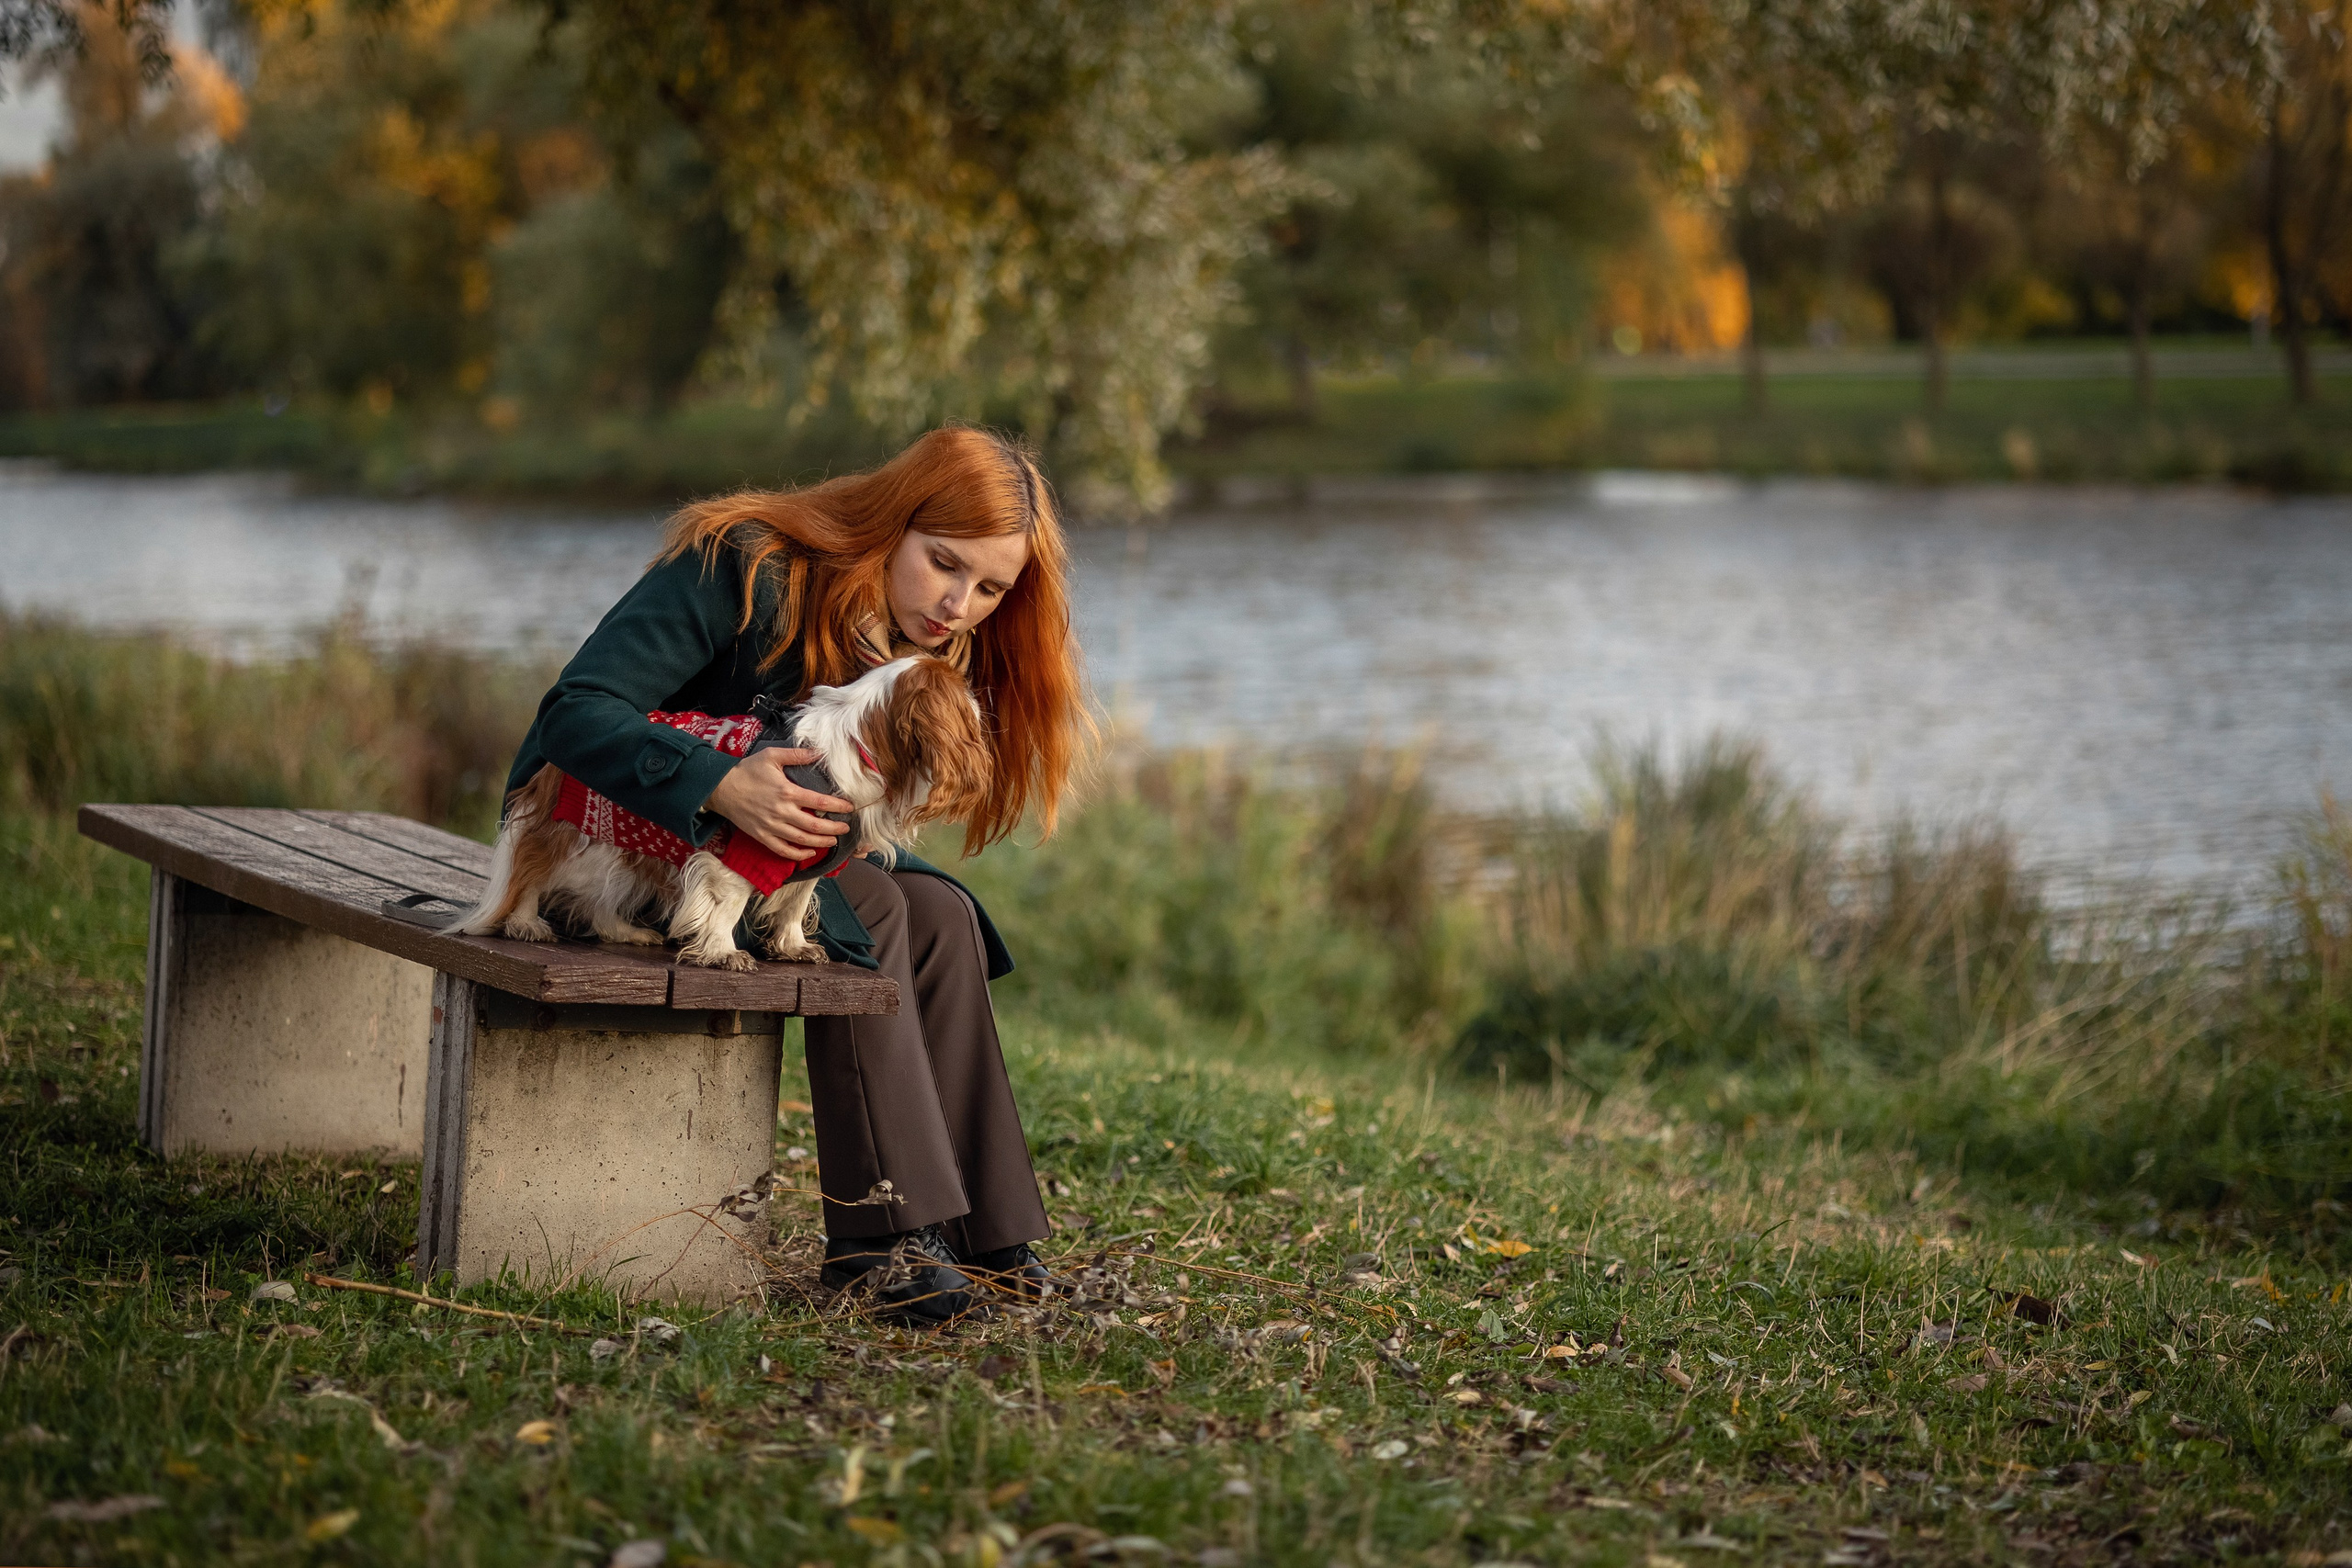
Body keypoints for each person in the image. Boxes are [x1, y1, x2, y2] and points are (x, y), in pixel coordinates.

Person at [503, 425, 1088, 1325]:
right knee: (886, 911)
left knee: (943, 914)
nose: (958, 604)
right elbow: (573, 715)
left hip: (758, 871)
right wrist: (717, 783)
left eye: (988, 588)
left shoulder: (911, 637)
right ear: (894, 522)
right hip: (611, 846)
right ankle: (880, 1239)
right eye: (943, 564)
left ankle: (984, 1227)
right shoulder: (743, 563)